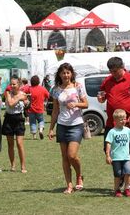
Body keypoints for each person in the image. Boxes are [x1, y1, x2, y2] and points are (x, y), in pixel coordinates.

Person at [98, 57, 130, 191]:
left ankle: (129, 182)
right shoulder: (108, 80)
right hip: (112, 124)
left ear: (122, 67)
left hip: (129, 123)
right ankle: (120, 178)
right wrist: (101, 98)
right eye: (111, 71)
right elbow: (102, 95)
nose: (113, 74)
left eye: (115, 71)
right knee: (110, 151)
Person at [48, 63, 88, 194]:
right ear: (59, 74)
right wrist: (51, 128)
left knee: (72, 155)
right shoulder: (55, 89)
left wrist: (76, 104)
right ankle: (69, 185)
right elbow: (55, 110)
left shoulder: (77, 87)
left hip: (76, 124)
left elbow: (86, 104)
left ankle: (79, 175)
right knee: (64, 157)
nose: (66, 75)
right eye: (63, 73)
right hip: (62, 125)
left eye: (68, 72)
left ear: (71, 74)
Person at [105, 109, 130, 197]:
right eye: (121, 119)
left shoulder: (127, 130)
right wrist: (108, 155)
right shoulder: (112, 132)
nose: (123, 121)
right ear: (115, 121)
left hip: (126, 158)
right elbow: (108, 143)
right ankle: (117, 190)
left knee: (127, 173)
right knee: (118, 175)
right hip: (116, 158)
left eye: (124, 119)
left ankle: (127, 189)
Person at [2, 77, 29, 173]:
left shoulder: (23, 94)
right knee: (10, 144)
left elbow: (27, 103)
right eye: (11, 84)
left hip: (19, 119)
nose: (12, 86)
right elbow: (10, 103)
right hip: (8, 119)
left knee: (19, 143)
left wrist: (26, 101)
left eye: (14, 84)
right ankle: (12, 165)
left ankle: (23, 166)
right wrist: (19, 98)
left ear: (19, 85)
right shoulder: (7, 93)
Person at [26, 75, 50, 140]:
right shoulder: (42, 89)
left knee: (33, 122)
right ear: (38, 81)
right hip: (40, 109)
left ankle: (34, 136)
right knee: (41, 120)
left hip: (31, 109)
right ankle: (41, 130)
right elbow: (48, 96)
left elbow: (23, 92)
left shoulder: (29, 88)